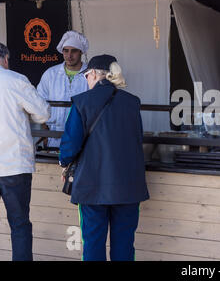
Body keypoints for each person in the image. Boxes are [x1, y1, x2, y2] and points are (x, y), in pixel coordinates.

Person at [58, 54, 149, 261]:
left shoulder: (82, 102)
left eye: (86, 76)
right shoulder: (133, 103)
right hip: (128, 186)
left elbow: (70, 145)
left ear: (94, 75)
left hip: (92, 186)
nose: (86, 81)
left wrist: (64, 164)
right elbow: (138, 138)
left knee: (93, 244)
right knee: (124, 245)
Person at [0, 43, 50, 261]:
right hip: (14, 165)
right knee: (19, 224)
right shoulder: (15, 80)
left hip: (13, 166)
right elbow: (43, 114)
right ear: (5, 59)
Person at [37, 30, 89, 148]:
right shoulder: (50, 74)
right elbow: (39, 103)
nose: (69, 55)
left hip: (82, 137)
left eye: (74, 51)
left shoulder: (91, 74)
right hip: (54, 136)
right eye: (66, 51)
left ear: (81, 52)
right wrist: (45, 132)